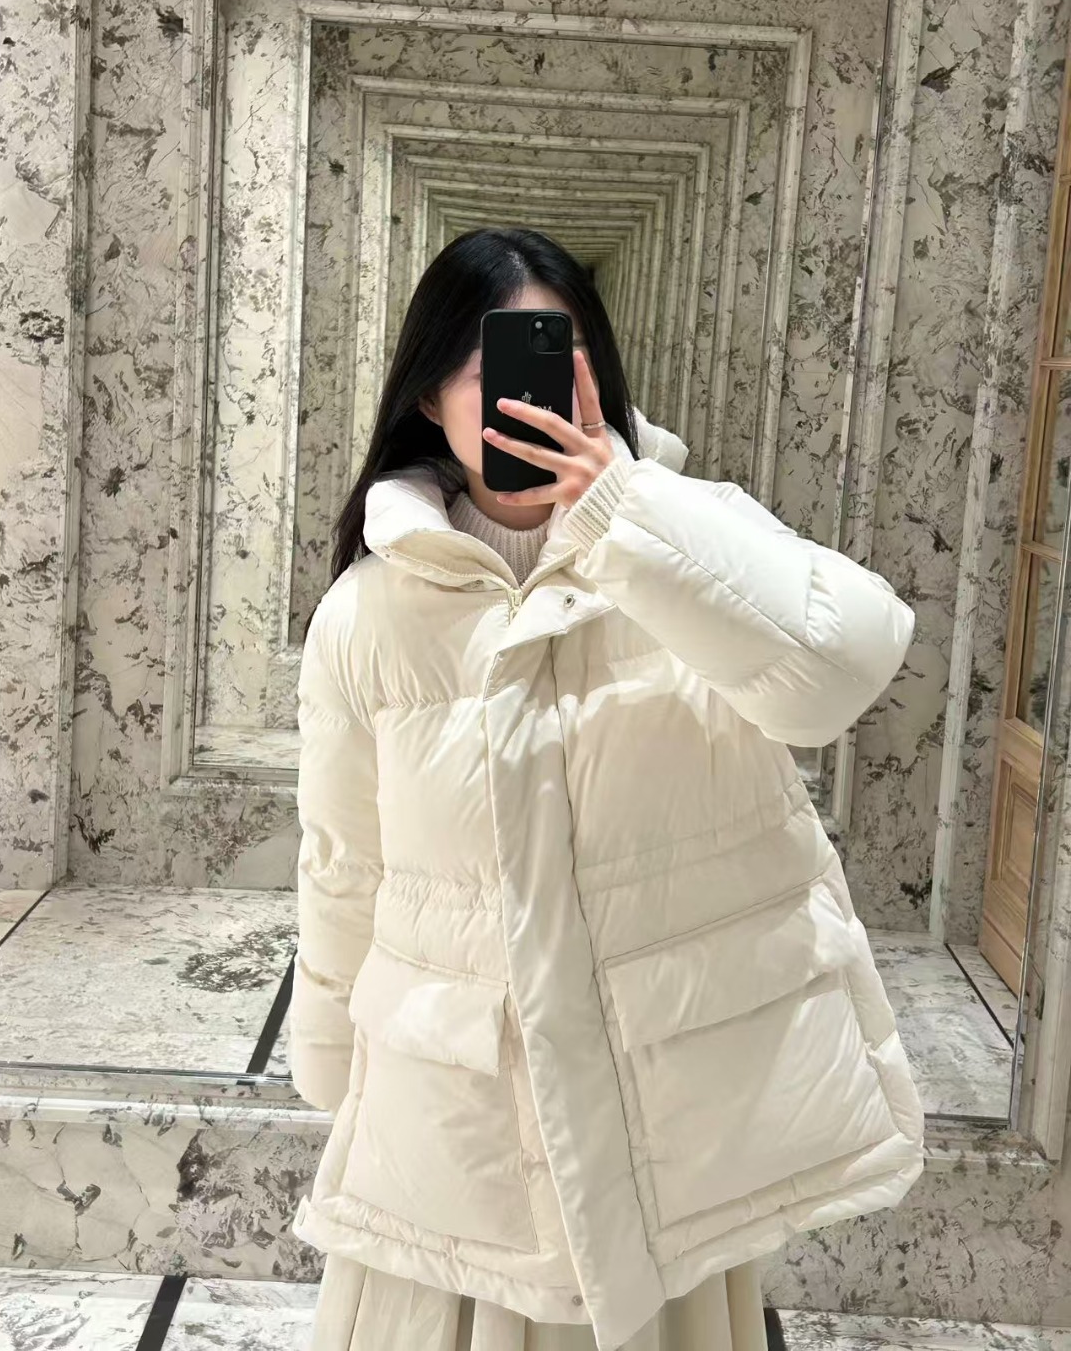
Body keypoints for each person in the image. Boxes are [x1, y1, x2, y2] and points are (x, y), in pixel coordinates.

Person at [288, 227, 926, 1351]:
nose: (524, 395)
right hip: (461, 1121)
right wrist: (335, 1061)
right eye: (487, 368)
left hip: (664, 1129)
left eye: (556, 355)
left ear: (597, 374)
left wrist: (626, 514)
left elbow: (842, 672)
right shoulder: (368, 613)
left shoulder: (692, 540)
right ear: (428, 397)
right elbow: (345, 860)